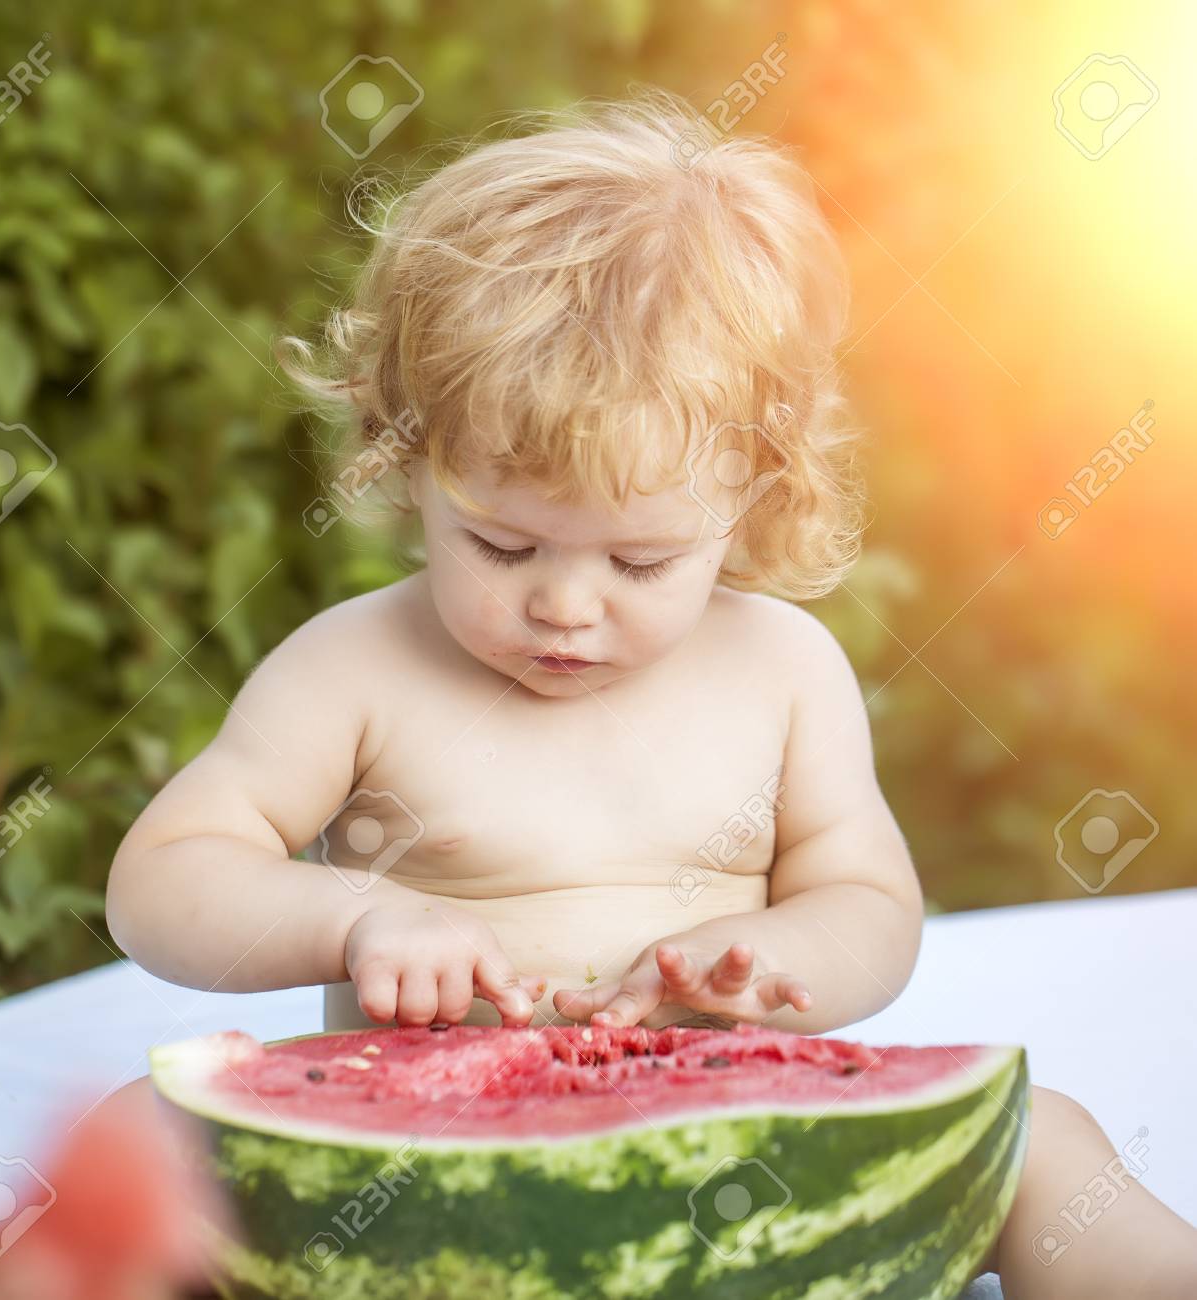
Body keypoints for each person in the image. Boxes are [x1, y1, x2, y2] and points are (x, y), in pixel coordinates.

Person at [106, 91, 1197, 1297]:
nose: (564, 607)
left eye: (638, 562)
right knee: (133, 1136)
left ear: (753, 496)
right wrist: (357, 919)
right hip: (407, 1185)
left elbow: (869, 903)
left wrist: (773, 952)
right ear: (404, 457)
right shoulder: (352, 667)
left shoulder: (783, 671)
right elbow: (164, 881)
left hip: (742, 1171)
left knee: (1042, 1138)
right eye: (503, 548)